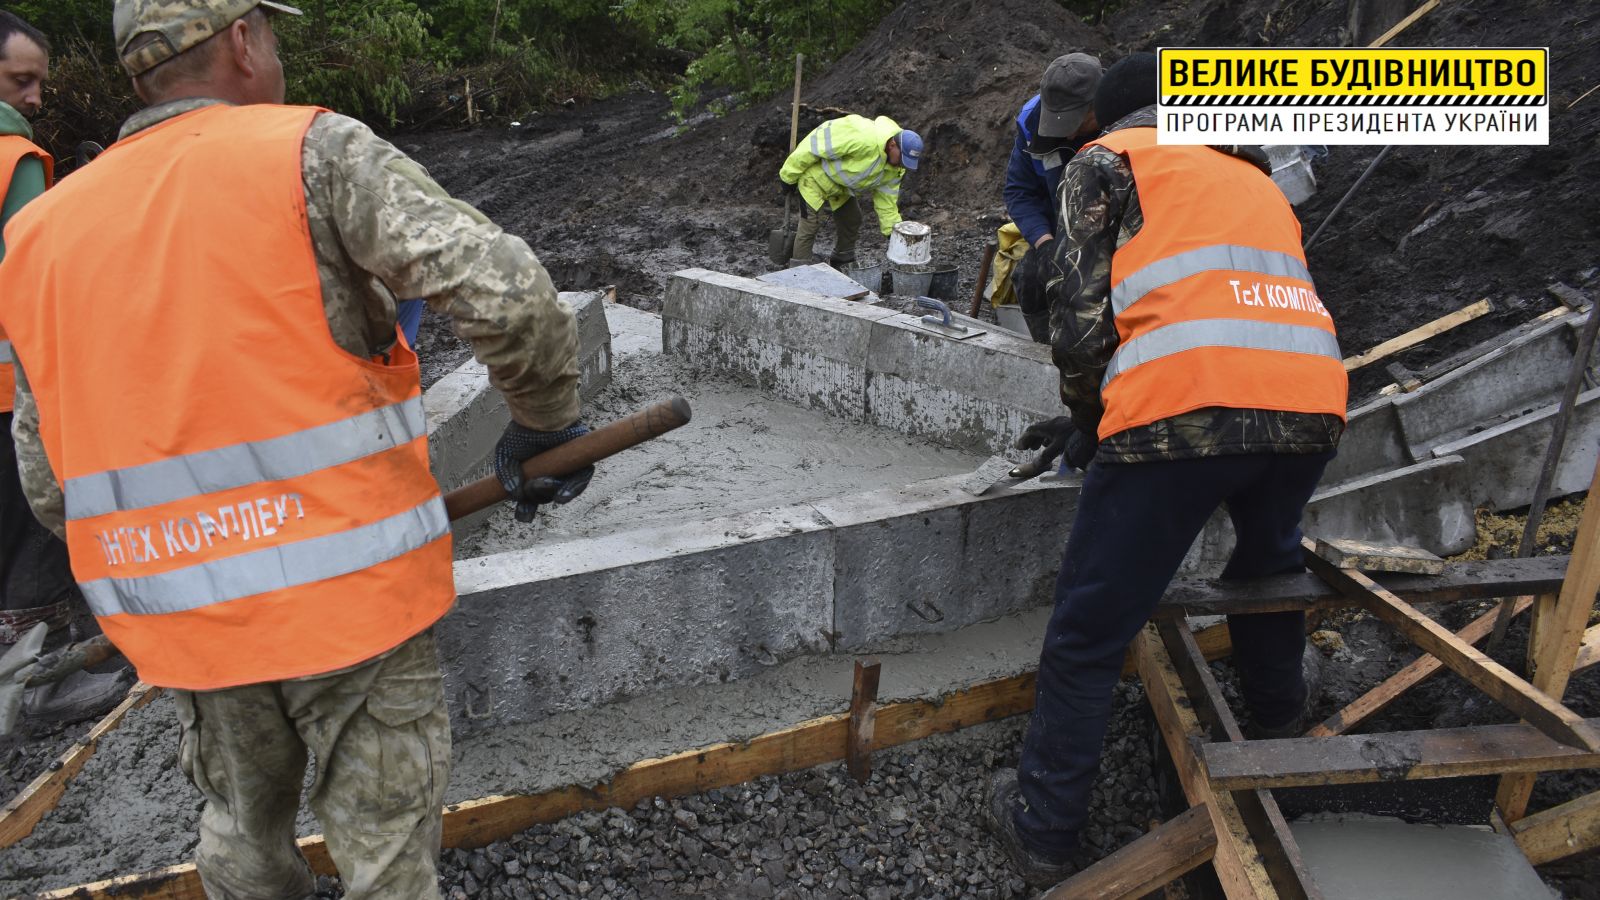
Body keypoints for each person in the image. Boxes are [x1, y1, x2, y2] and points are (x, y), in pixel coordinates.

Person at [0, 1, 589, 896]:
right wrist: (545, 420)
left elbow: (44, 472)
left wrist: (163, 551)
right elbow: (509, 296)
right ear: (242, 40)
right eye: (269, 32)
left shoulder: (38, 234)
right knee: (386, 854)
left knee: (239, 838)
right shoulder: (311, 151)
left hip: (186, 616)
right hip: (354, 605)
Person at [983, 52, 1348, 886]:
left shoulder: (1106, 162)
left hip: (1182, 408)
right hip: (1311, 404)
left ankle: (1042, 826)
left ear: (1110, 118)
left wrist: (1089, 421)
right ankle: (1278, 733)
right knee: (1267, 569)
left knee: (1088, 628)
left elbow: (1080, 330)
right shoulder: (1255, 175)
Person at [0, 9, 132, 723]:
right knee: (33, 527)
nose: (36, 99)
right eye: (22, 80)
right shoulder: (11, 159)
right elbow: (35, 284)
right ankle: (39, 683)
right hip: (5, 390)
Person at [1004, 52, 1102, 342]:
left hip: (1113, 235)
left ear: (1098, 105)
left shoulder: (1127, 119)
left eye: (1075, 122)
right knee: (1030, 277)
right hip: (1058, 234)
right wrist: (1045, 244)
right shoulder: (1031, 123)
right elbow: (1019, 191)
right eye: (1059, 122)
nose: (1068, 135)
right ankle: (1049, 355)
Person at [778, 113, 922, 268]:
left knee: (852, 219)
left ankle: (842, 260)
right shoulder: (863, 138)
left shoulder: (895, 169)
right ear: (893, 145)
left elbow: (887, 203)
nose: (902, 165)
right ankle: (799, 270)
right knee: (810, 224)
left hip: (842, 188)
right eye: (902, 159)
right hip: (815, 180)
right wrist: (788, 175)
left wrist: (892, 233)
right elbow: (814, 146)